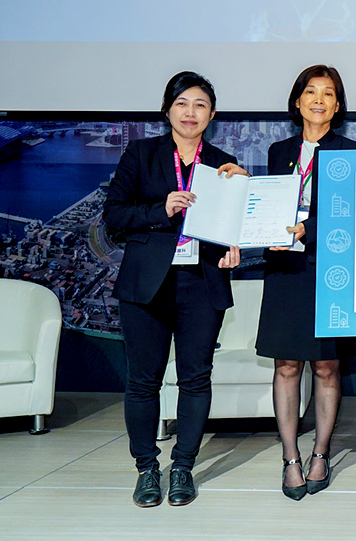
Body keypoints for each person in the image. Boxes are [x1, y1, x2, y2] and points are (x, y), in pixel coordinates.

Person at [103, 71, 246, 507]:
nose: (190, 112)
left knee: (195, 379)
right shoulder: (141, 154)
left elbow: (235, 225)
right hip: (147, 285)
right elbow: (114, 216)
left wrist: (234, 245)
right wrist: (159, 209)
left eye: (200, 105)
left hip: (200, 285)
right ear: (167, 110)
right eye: (182, 103)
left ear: (212, 114)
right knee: (143, 383)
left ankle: (183, 466)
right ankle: (147, 469)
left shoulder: (224, 164)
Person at [255, 65, 356, 500]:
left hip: (330, 270)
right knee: (286, 366)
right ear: (297, 102)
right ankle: (290, 457)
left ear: (337, 106)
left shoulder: (348, 152)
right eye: (310, 92)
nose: (318, 99)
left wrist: (307, 230)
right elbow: (268, 206)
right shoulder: (279, 152)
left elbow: (350, 212)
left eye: (328, 93)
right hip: (286, 272)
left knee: (327, 366)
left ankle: (320, 452)